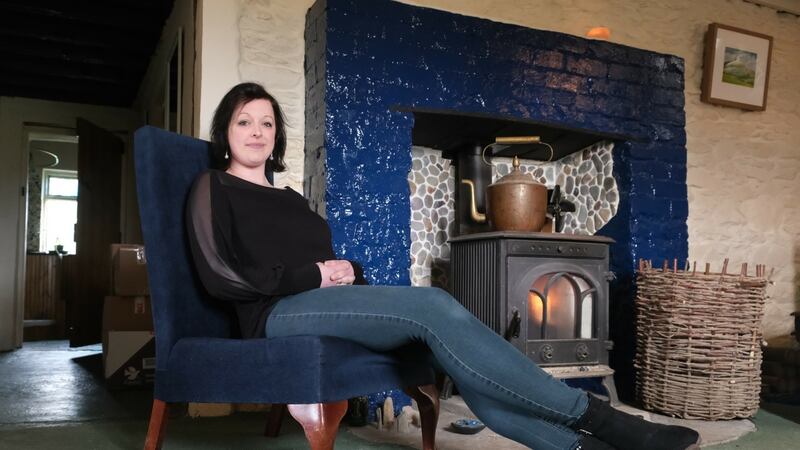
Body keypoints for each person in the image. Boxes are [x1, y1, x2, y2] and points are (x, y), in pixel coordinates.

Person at [185, 82, 701, 450]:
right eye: (244, 122)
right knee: (432, 304)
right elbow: (223, 276)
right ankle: (601, 418)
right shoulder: (214, 187)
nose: (257, 132)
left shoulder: (291, 198)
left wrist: (345, 270)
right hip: (271, 315)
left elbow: (326, 264)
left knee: (461, 361)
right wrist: (318, 275)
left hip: (317, 303)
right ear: (225, 130)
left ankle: (576, 447)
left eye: (267, 123)